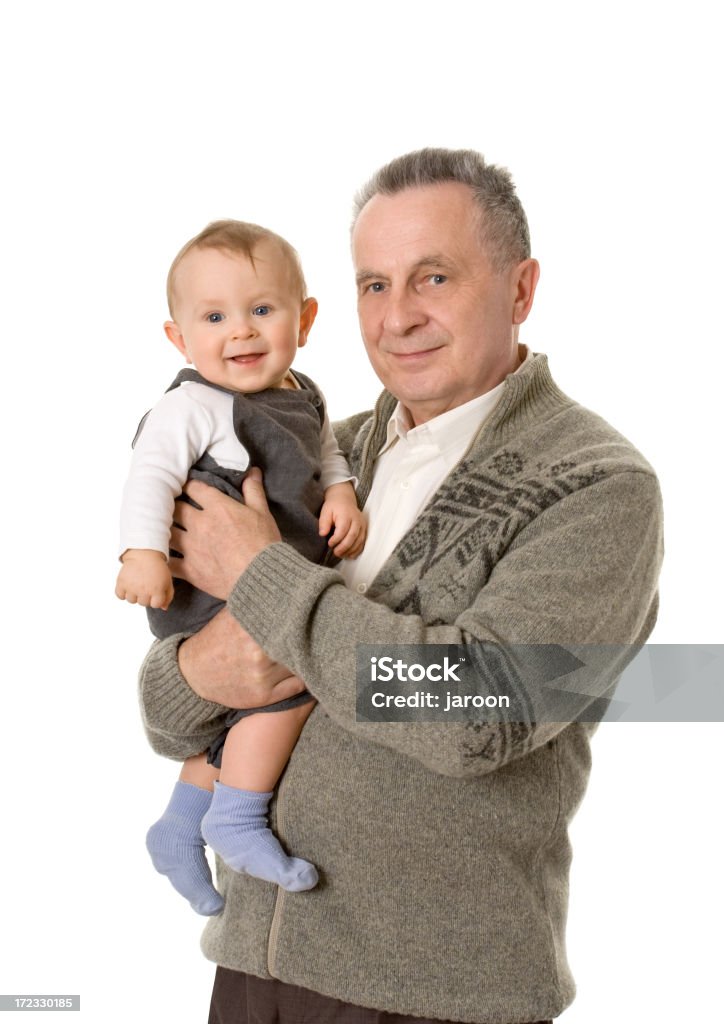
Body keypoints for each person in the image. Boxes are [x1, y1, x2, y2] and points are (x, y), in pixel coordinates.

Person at [138, 149, 664, 1024]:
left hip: (434, 996)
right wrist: (201, 670)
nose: (398, 317)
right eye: (373, 285)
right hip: (252, 967)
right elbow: (165, 713)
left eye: (434, 278)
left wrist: (264, 581)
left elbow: (481, 712)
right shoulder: (312, 456)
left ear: (520, 288)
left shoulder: (597, 485)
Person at [117, 220, 366, 915]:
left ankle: (179, 823)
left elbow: (326, 451)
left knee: (253, 692)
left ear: (305, 319)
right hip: (201, 587)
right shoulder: (193, 404)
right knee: (287, 685)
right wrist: (140, 552)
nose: (243, 333)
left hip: (270, 573)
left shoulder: (303, 394)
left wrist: (342, 489)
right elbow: (151, 475)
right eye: (216, 316)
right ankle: (236, 818)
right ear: (179, 339)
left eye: (263, 310)